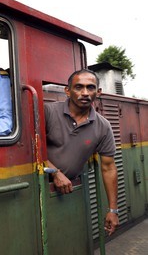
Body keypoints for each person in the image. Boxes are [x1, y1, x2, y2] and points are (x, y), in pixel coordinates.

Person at [44, 69, 119, 236]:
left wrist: (113, 210)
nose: (85, 93)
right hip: (36, 187)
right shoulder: (47, 112)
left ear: (98, 92)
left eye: (90, 88)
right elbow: (30, 149)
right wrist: (54, 172)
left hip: (67, 193)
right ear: (67, 90)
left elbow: (109, 168)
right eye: (78, 87)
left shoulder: (103, 126)